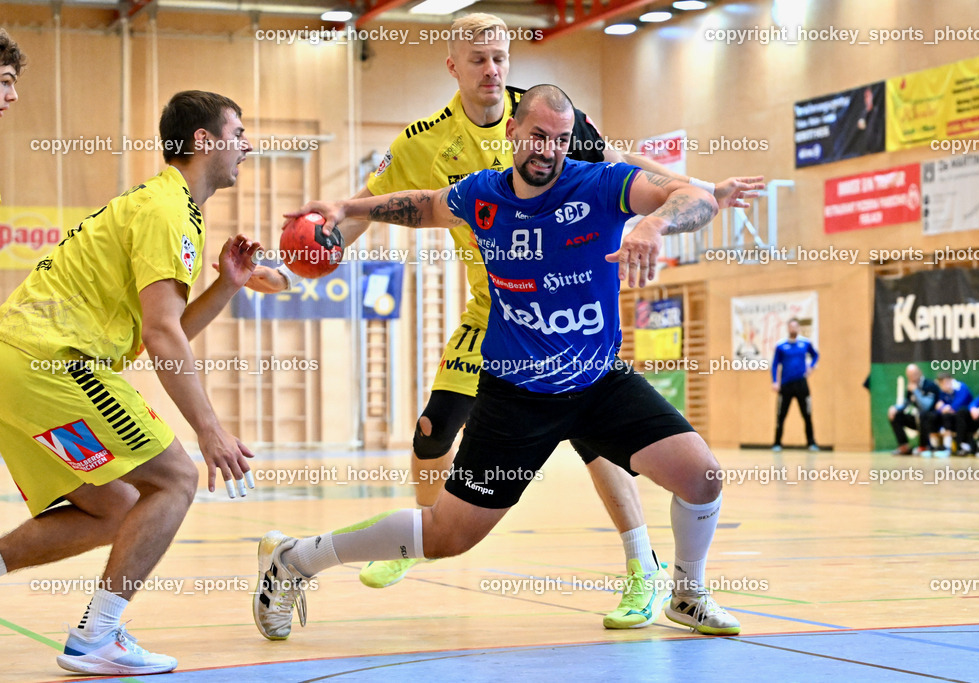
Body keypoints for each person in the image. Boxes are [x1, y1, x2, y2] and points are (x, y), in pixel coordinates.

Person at [245, 13, 757, 628]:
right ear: (515, 131)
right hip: (517, 389)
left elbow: (686, 196)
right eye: (537, 136)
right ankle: (296, 559)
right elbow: (421, 205)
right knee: (448, 532)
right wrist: (344, 207)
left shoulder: (599, 184)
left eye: (560, 139)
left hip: (597, 381)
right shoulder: (481, 192)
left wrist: (657, 220)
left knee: (701, 476)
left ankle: (683, 591)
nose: (547, 149)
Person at [0, 90, 260, 676]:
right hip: (56, 362)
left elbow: (160, 330)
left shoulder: (168, 206)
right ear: (204, 141)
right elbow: (164, 336)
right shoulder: (167, 210)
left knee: (116, 508)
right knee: (174, 479)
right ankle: (98, 635)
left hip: (19, 370)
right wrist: (210, 431)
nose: (248, 145)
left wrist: (227, 284)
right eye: (237, 132)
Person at [770, 318, 818, 451]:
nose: (793, 329)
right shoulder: (781, 345)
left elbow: (815, 355)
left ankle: (811, 443)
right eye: (791, 326)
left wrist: (811, 367)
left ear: (798, 328)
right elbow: (775, 365)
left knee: (807, 414)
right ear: (788, 328)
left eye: (795, 326)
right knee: (781, 415)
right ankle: (777, 443)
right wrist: (775, 381)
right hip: (786, 384)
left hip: (801, 383)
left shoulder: (805, 343)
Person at [888, 364, 940, 456]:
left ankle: (924, 446)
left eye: (914, 374)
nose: (912, 377)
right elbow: (906, 404)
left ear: (920, 373)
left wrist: (916, 391)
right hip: (918, 419)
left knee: (923, 414)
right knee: (896, 415)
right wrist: (895, 408)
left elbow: (926, 407)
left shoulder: (929, 385)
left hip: (933, 419)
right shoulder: (911, 387)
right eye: (910, 376)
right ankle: (904, 446)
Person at [930, 372, 973, 457]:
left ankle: (960, 446)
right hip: (952, 418)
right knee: (936, 416)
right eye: (941, 384)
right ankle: (942, 447)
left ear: (950, 380)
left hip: (967, 419)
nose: (944, 385)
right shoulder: (943, 392)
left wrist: (944, 408)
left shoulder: (961, 388)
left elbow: (957, 406)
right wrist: (942, 408)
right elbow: (938, 406)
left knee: (959, 413)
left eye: (945, 382)